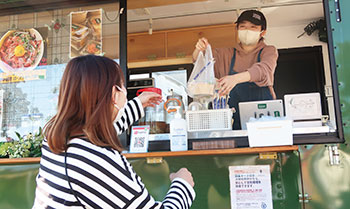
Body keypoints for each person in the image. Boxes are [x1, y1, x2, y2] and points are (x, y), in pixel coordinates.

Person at [32, 55, 195, 209]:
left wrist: (138, 104)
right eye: (122, 85)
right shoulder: (95, 160)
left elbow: (101, 130)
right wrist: (182, 183)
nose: (125, 91)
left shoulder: (57, 137)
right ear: (113, 94)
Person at [192, 10, 278, 130]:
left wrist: (235, 79)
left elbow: (264, 71)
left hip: (264, 121)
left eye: (253, 27)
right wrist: (199, 49)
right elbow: (201, 64)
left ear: (262, 32)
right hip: (232, 122)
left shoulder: (269, 51)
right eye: (243, 27)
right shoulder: (225, 54)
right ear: (237, 30)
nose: (247, 31)